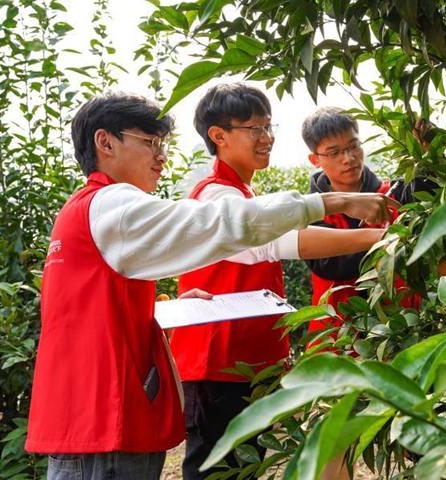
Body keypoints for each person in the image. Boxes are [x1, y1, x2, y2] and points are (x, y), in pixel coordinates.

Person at [24, 92, 397, 480]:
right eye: (150, 142)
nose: (162, 155)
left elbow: (88, 310)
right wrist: (336, 205)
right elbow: (236, 225)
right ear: (105, 142)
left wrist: (165, 311)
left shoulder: (88, 210)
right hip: (110, 414)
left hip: (98, 413)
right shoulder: (112, 204)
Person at [169, 84, 389, 479]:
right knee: (217, 469)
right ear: (218, 136)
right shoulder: (215, 196)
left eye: (269, 127)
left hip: (248, 361)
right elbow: (277, 243)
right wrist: (381, 237)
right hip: (218, 362)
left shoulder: (245, 192)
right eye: (254, 129)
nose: (267, 138)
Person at [302, 107, 436, 339]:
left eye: (353, 146)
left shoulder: (393, 194)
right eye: (334, 152)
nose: (348, 158)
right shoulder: (309, 213)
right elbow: (330, 265)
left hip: (402, 335)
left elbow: (428, 203)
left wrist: (425, 158)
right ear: (315, 159)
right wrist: (387, 240)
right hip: (338, 340)